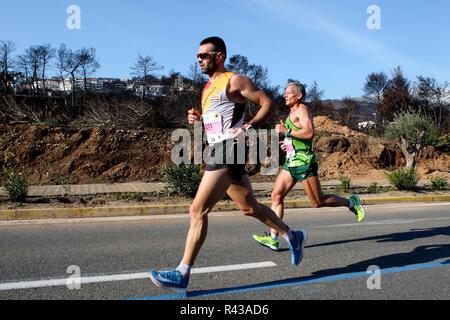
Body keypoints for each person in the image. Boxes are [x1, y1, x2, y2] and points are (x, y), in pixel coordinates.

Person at [149, 37, 307, 293]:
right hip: (219, 147)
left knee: (197, 209)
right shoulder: (208, 88)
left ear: (219, 56)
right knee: (249, 207)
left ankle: (182, 273)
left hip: (229, 148)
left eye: (204, 55)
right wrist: (197, 119)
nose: (199, 59)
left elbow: (266, 103)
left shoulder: (235, 80)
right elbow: (217, 120)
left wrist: (248, 126)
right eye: (197, 56)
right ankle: (292, 235)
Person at [252, 81, 365, 252]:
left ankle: (351, 203)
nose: (285, 95)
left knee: (318, 202)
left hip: (304, 163)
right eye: (284, 92)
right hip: (292, 161)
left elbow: (310, 133)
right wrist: (288, 143)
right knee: (276, 195)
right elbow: (299, 137)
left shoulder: (303, 109)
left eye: (288, 92)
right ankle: (274, 237)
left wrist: (286, 131)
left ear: (299, 95)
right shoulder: (292, 111)